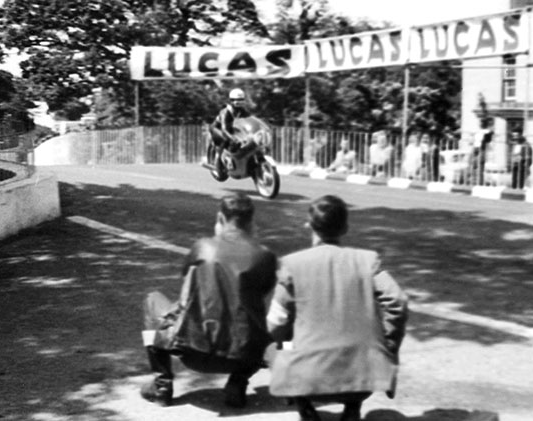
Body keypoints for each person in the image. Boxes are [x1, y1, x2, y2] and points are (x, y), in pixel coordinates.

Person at [266, 195, 409, 421]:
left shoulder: (292, 265)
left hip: (310, 376)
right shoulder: (367, 261)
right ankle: (352, 408)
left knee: (273, 351)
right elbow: (397, 301)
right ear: (345, 228)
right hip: (362, 376)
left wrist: (288, 345)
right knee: (363, 351)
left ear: (309, 225)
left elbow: (276, 322)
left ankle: (305, 408)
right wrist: (387, 344)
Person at [142, 193, 277, 408]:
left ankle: (162, 385)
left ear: (220, 219)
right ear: (252, 221)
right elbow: (263, 293)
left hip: (193, 351)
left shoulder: (202, 247)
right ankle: (238, 382)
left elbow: (187, 280)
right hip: (245, 355)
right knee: (259, 322)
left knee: (152, 300)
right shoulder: (265, 256)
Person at [209, 88, 251, 176]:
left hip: (231, 129)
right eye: (236, 100)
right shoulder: (225, 112)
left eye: (241, 99)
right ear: (231, 100)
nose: (239, 102)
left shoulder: (243, 111)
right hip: (218, 129)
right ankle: (217, 159)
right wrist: (233, 138)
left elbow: (250, 121)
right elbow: (224, 130)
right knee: (225, 139)